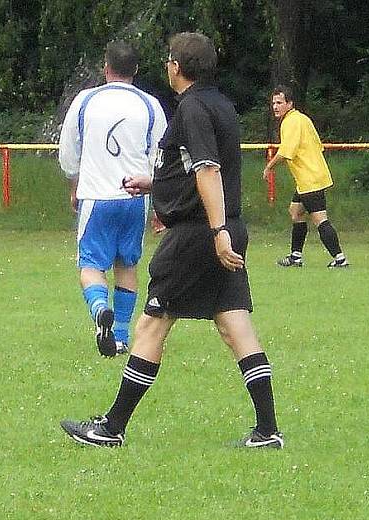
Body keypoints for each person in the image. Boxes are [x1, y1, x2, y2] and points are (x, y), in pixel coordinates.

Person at [61, 32, 283, 449]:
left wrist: (216, 231)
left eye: (169, 60)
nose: (167, 66)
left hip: (201, 234)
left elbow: (208, 169)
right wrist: (155, 183)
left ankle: (111, 428)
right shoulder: (219, 103)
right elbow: (192, 169)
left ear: (177, 67)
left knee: (150, 325)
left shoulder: (193, 107)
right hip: (226, 226)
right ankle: (268, 431)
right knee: (235, 325)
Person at [59, 40, 167, 357]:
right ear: (135, 69)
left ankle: (99, 311)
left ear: (105, 68)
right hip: (134, 197)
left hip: (97, 196)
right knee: (127, 264)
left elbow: (69, 150)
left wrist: (74, 184)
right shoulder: (150, 105)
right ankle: (120, 334)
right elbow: (160, 155)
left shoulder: (86, 100)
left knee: (91, 265)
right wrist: (158, 201)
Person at [263, 85, 349, 268]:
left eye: (279, 102)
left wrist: (269, 166)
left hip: (310, 179)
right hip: (309, 177)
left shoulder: (291, 122)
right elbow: (318, 145)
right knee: (296, 212)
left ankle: (340, 258)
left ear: (289, 103)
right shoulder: (301, 118)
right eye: (273, 103)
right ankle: (296, 256)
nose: (275, 106)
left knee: (319, 219)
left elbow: (287, 152)